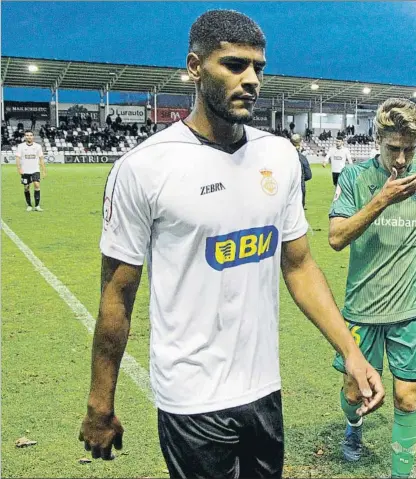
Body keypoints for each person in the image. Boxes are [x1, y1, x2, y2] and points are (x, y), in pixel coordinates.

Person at [78, 10, 385, 479]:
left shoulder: (279, 157)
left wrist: (351, 351)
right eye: (234, 65)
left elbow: (299, 266)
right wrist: (101, 403)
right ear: (195, 66)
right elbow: (117, 295)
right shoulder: (145, 168)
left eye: (258, 68)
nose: (251, 80)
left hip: (263, 389)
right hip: (191, 396)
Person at [328, 98, 416, 478]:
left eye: (410, 149)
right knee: (353, 393)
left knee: (407, 397)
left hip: (410, 307)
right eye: (394, 148)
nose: (402, 159)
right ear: (378, 140)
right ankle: (354, 426)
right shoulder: (355, 179)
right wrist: (382, 199)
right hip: (363, 308)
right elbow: (336, 238)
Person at [15, 130, 46, 212]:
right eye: (27, 135)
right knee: (26, 187)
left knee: (36, 185)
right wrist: (19, 168)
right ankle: (29, 205)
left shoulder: (38, 146)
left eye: (31, 135)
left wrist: (43, 171)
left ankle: (37, 206)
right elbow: (17, 158)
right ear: (25, 137)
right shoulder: (20, 146)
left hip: (35, 170)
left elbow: (41, 158)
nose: (29, 136)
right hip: (25, 171)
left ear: (33, 136)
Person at [291, 133, 312, 208]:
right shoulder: (302, 158)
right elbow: (309, 175)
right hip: (299, 186)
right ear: (300, 143)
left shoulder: (284, 156)